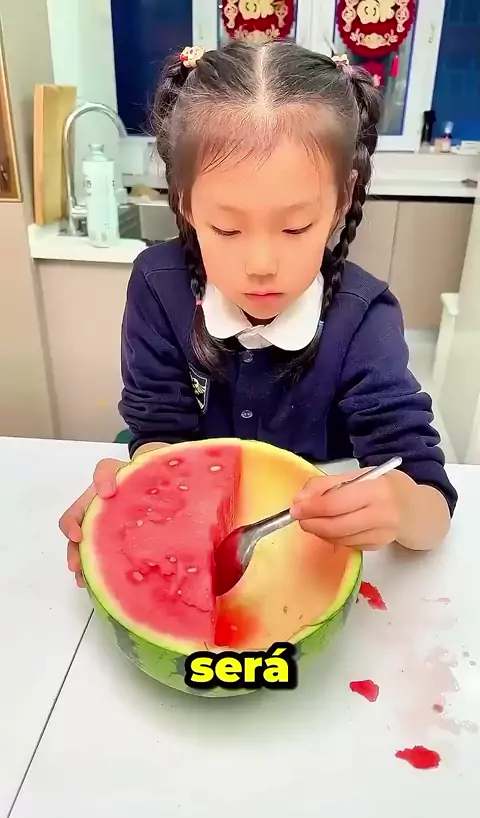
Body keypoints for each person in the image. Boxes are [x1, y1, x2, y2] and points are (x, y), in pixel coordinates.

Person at [60, 41, 457, 588]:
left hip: (310, 557)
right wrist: (137, 490)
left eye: (295, 228)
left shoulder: (364, 317)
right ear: (185, 202)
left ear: (341, 201)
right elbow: (158, 433)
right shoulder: (158, 286)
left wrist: (402, 506)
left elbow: (430, 501)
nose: (262, 265)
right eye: (227, 228)